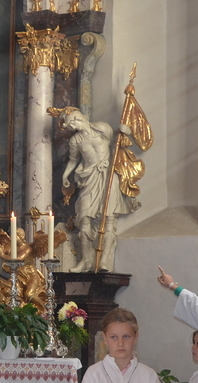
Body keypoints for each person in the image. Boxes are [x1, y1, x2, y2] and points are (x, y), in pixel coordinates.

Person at [60, 108, 141, 272]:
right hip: (89, 178)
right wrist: (65, 176)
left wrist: (124, 131)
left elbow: (116, 144)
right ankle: (86, 260)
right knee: (84, 217)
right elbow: (73, 160)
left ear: (80, 118)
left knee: (109, 217)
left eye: (74, 121)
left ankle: (103, 260)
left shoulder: (101, 128)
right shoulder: (75, 140)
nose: (74, 125)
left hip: (108, 176)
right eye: (71, 124)